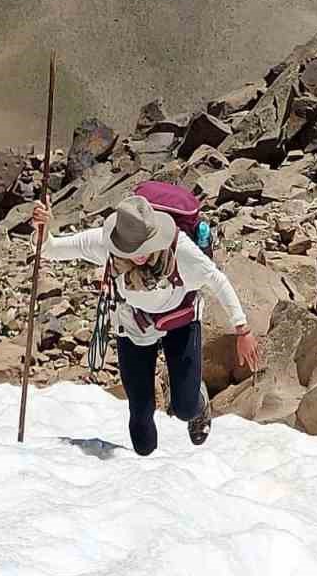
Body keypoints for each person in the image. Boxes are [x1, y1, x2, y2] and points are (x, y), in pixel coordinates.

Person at [31, 193, 259, 455]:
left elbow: (217, 281)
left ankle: (197, 398)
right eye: (132, 249)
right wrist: (43, 230)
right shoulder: (106, 243)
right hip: (134, 327)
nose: (139, 255)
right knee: (143, 439)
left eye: (145, 247)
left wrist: (243, 330)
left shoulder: (180, 249)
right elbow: (50, 249)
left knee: (185, 407)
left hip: (180, 319)